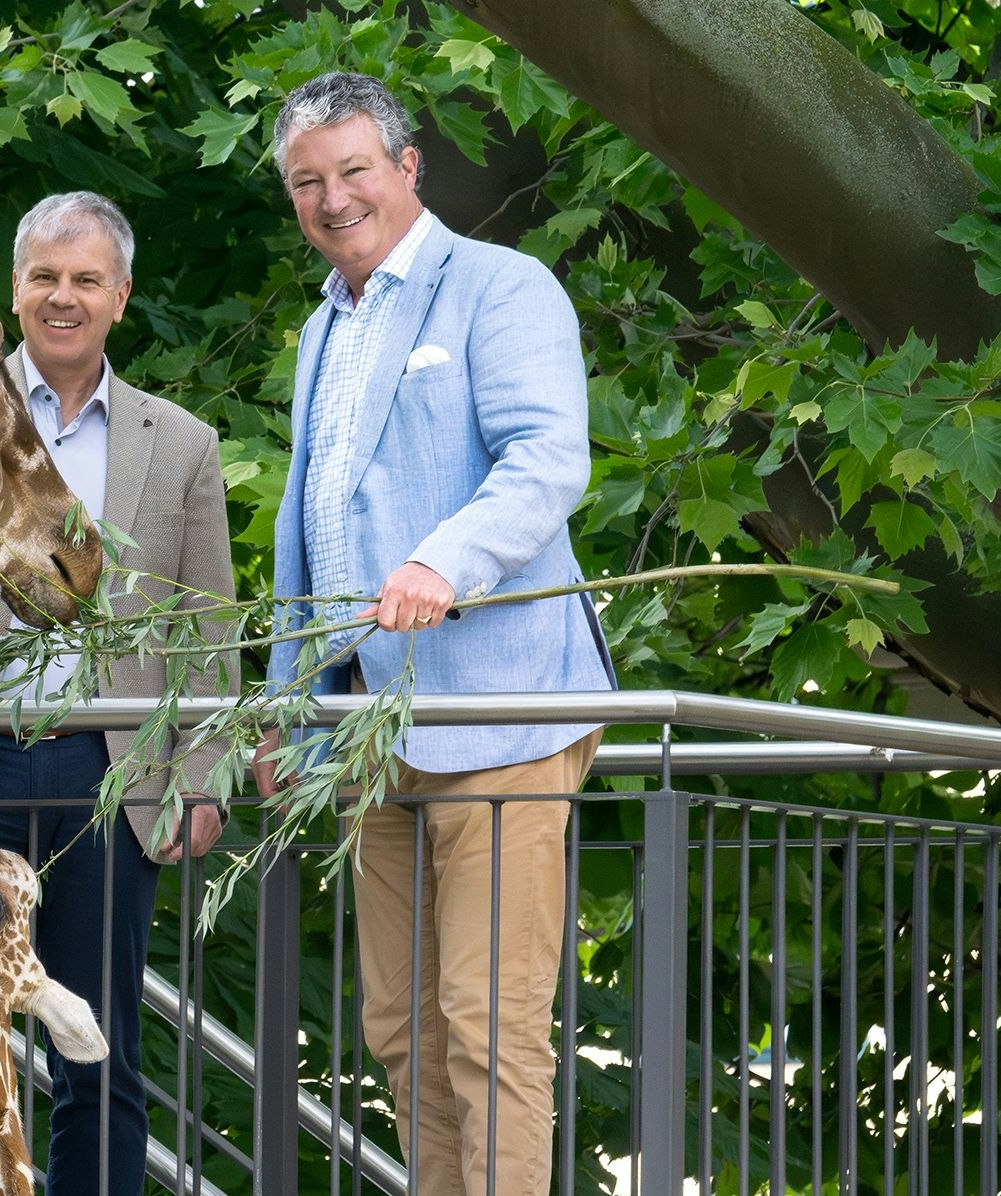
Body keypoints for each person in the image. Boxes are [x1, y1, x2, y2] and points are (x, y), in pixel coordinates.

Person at [249, 72, 616, 1196]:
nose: (332, 197)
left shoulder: (499, 287)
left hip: (496, 710)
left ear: (407, 168)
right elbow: (309, 531)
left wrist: (438, 562)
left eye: (353, 169)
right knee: (398, 1027)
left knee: (486, 1018)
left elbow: (546, 460)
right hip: (365, 730)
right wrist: (286, 711)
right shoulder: (324, 322)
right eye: (307, 181)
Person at [0, 190, 238, 1196]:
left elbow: (205, 627)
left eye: (84, 279)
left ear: (120, 295)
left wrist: (198, 774)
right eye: (43, 276)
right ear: (15, 288)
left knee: (97, 1047)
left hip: (107, 772)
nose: (61, 297)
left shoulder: (181, 445)